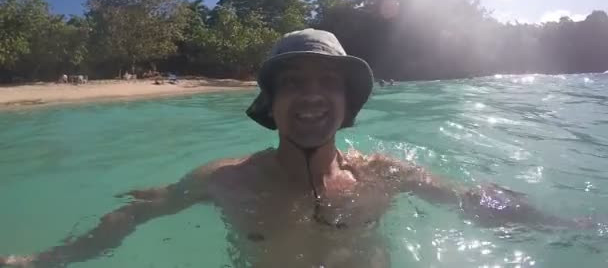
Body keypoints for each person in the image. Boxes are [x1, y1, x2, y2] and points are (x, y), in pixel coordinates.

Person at [0, 29, 588, 268]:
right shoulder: (225, 178)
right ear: (271, 104)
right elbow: (137, 211)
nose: (311, 97)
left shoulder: (386, 175)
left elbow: (473, 201)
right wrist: (44, 260)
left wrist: (571, 224)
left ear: (347, 103)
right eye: (294, 84)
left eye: (328, 82)